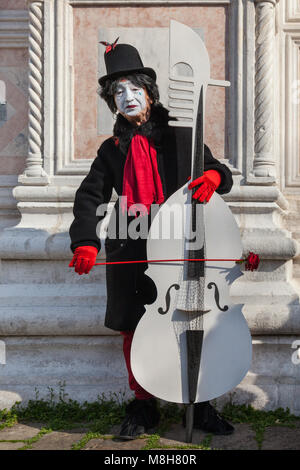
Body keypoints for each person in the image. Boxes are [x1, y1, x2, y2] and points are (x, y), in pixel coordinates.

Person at [69, 39, 234, 439]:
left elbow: (218, 173)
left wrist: (213, 176)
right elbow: (90, 196)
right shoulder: (110, 150)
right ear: (113, 102)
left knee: (193, 321)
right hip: (132, 248)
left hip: (183, 249)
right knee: (137, 328)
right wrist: (85, 242)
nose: (126, 98)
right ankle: (143, 406)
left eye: (133, 89)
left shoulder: (181, 137)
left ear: (149, 92)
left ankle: (200, 403)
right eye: (117, 92)